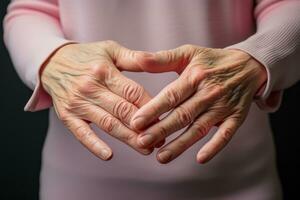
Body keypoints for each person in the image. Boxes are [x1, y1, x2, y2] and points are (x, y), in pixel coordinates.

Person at [3, 0, 300, 199]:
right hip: (79, 185)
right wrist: (51, 58)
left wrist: (259, 58)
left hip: (240, 183)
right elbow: (31, 9)